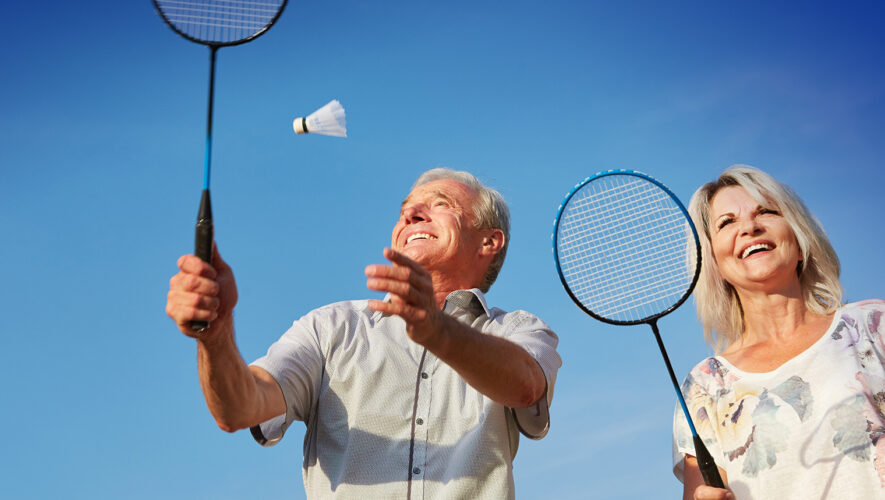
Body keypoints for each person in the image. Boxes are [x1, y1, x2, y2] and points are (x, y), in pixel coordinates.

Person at [166, 168, 561, 499]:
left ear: (489, 241)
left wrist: (438, 332)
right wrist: (216, 335)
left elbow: (525, 385)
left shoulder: (519, 330)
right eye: (405, 211)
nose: (413, 215)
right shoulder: (330, 327)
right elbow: (238, 408)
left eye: (440, 204)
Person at [672, 165, 885, 499]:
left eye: (766, 212)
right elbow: (699, 492)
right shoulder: (706, 385)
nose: (750, 227)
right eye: (727, 223)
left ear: (800, 242)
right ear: (713, 264)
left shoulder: (873, 325)